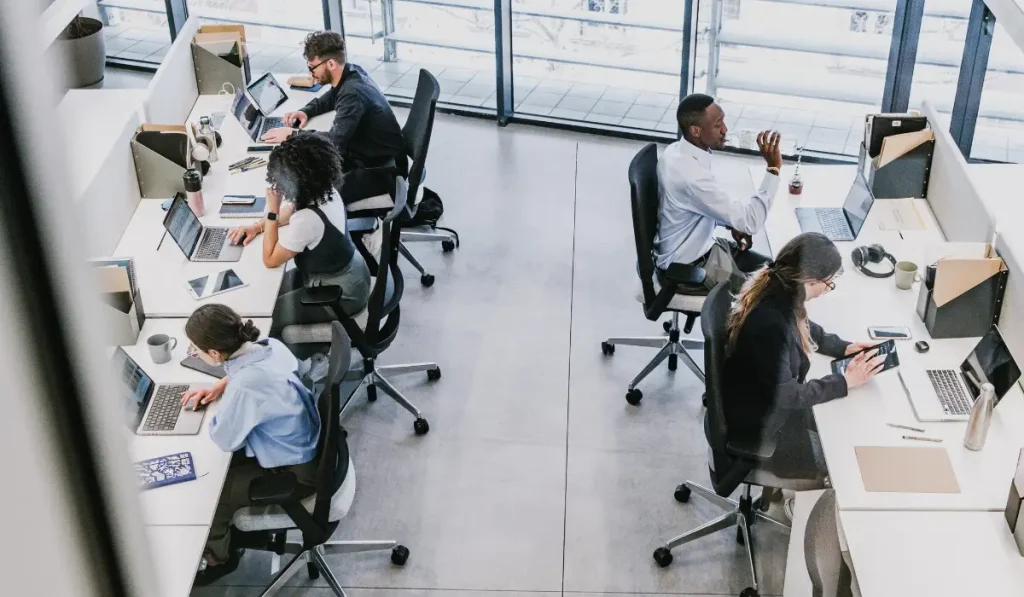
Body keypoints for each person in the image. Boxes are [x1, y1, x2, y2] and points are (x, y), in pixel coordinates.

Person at [722, 232, 886, 478]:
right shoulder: (770, 323)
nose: (827, 290)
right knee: (841, 466)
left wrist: (841, 347)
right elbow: (787, 395)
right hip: (761, 428)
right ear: (809, 279)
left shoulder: (778, 288)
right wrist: (845, 382)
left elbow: (802, 323)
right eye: (828, 283)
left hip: (752, 400)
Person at [179, 304, 321, 584]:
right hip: (305, 443)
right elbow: (249, 373)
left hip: (295, 471)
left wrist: (227, 402)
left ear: (215, 354)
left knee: (212, 494)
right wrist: (223, 386)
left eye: (195, 349)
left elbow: (225, 439)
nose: (193, 352)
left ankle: (219, 559)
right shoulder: (271, 346)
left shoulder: (246, 386)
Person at [229, 132, 372, 338]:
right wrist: (258, 226)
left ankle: (308, 361)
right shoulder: (325, 190)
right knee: (266, 296)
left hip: (341, 295)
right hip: (350, 274)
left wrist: (272, 210)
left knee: (266, 321)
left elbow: (270, 259)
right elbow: (292, 210)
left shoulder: (307, 220)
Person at [260, 31, 406, 205]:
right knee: (308, 171)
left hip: (379, 169)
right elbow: (332, 96)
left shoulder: (352, 94)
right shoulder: (351, 73)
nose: (310, 73)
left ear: (330, 63)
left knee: (314, 195)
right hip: (374, 154)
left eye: (312, 68)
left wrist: (294, 135)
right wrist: (306, 111)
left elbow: (334, 142)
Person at [656, 93, 782, 293]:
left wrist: (730, 222)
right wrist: (773, 168)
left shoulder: (676, 151)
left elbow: (695, 204)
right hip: (692, 264)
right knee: (769, 295)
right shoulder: (692, 176)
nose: (725, 130)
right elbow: (751, 221)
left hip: (700, 245)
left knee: (778, 272)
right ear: (696, 130)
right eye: (717, 125)